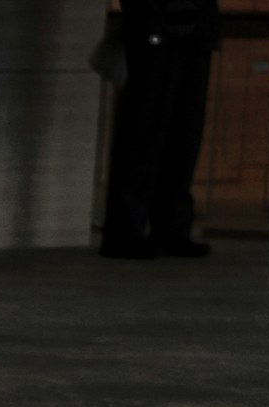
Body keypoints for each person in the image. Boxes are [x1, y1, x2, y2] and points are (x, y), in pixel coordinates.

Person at [101, 0, 221, 257]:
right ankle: (126, 230)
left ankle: (171, 229)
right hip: (155, 24)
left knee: (185, 135)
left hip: (195, 27)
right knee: (144, 133)